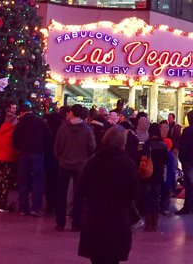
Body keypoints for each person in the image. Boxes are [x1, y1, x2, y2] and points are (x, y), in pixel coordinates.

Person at [77, 126, 140, 264]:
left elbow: (81, 189)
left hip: (95, 216)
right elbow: (134, 192)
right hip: (117, 218)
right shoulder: (126, 164)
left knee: (97, 256)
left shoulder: (93, 161)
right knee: (113, 257)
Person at [54, 103, 97, 231]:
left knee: (61, 193)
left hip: (65, 163)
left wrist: (60, 157)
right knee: (79, 194)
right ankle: (76, 222)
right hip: (80, 164)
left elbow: (57, 145)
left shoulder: (63, 128)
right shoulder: (87, 129)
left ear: (71, 113)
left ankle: (60, 222)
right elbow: (92, 146)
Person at [12, 101, 51, 217]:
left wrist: (19, 149)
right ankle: (36, 208)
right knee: (37, 181)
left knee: (23, 181)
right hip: (37, 154)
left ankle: (23, 208)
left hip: (23, 154)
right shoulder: (40, 122)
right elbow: (49, 136)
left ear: (22, 112)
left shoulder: (19, 124)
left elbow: (14, 140)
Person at [0, 107, 18, 212]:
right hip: (8, 159)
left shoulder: (1, 129)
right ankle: (2, 202)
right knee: (6, 181)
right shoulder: (13, 131)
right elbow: (14, 145)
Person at [178, 109, 193, 216]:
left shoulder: (187, 131)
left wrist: (182, 158)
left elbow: (183, 146)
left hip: (188, 160)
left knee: (189, 184)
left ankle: (188, 206)